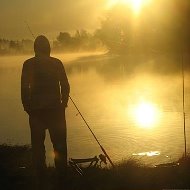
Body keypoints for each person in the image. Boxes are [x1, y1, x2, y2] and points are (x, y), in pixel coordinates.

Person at [21, 35, 70, 185]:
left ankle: (41, 176)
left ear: (35, 48)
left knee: (38, 146)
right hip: (56, 111)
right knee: (59, 145)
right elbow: (65, 85)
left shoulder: (28, 64)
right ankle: (62, 176)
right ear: (49, 48)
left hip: (36, 112)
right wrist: (64, 103)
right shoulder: (57, 63)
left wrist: (27, 107)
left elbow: (24, 88)